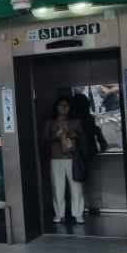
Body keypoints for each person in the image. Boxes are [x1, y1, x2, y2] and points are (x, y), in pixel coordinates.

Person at [40, 96, 84, 224]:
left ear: (70, 108)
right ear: (56, 107)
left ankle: (78, 213)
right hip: (56, 156)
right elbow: (44, 139)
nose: (63, 108)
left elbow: (83, 137)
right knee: (57, 187)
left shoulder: (76, 122)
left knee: (76, 186)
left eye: (66, 106)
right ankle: (59, 214)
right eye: (61, 105)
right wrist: (54, 136)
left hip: (72, 157)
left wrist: (76, 135)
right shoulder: (51, 122)